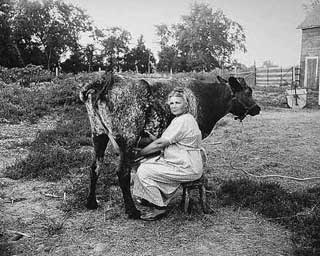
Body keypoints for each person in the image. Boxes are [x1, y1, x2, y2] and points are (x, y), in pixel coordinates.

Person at [133, 87, 204, 221]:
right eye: (171, 103)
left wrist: (139, 153)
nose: (173, 106)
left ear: (186, 104)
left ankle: (160, 208)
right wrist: (155, 140)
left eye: (178, 102)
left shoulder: (183, 120)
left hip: (186, 166)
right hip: (185, 161)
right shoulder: (183, 119)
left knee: (144, 170)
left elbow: (161, 144)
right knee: (146, 163)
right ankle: (151, 198)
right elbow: (175, 141)